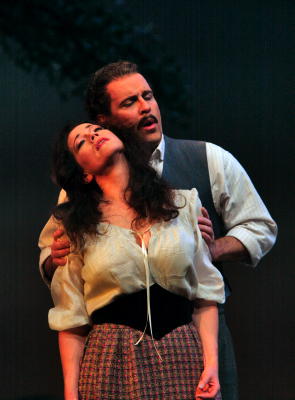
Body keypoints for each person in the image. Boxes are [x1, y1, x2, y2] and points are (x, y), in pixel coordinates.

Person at [39, 61, 277, 399]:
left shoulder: (207, 160)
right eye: (129, 102)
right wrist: (56, 258)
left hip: (192, 332)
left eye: (147, 96)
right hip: (114, 349)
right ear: (103, 119)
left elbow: (261, 226)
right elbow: (57, 261)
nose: (145, 107)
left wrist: (212, 248)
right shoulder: (80, 195)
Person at [49, 121, 225, 400]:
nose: (93, 135)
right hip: (110, 358)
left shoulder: (183, 204)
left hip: (181, 353)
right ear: (83, 173)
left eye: (95, 129)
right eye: (81, 141)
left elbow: (206, 293)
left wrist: (212, 365)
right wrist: (71, 394)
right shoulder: (75, 226)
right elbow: (71, 319)